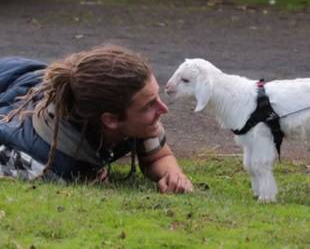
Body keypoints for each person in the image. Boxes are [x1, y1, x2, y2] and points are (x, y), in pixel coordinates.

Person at [0, 44, 193, 193]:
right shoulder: (39, 159)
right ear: (110, 120)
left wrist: (172, 174)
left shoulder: (134, 120)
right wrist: (84, 172)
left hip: (27, 77)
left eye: (156, 97)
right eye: (149, 105)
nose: (163, 109)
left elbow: (158, 155)